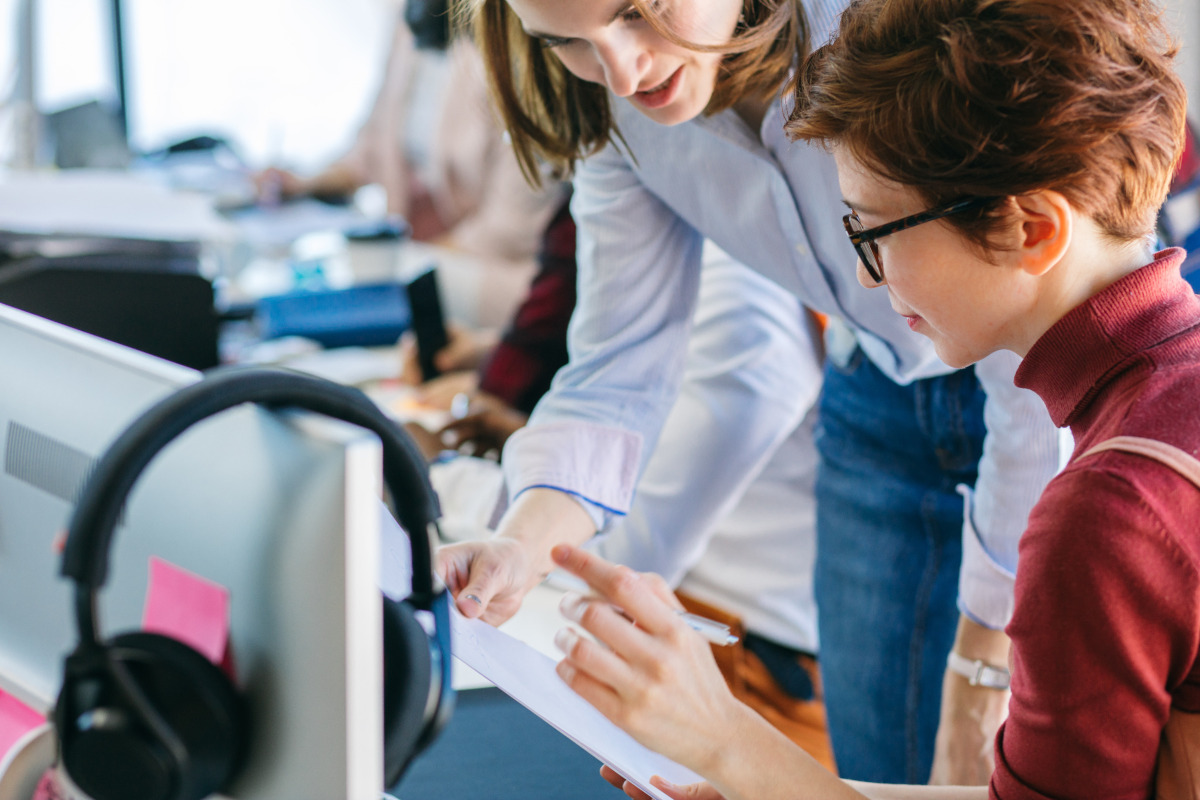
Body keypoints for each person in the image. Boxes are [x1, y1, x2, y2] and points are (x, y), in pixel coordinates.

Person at [547, 0, 1199, 798]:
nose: (861, 278)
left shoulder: (1105, 516)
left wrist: (726, 742)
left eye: (874, 231)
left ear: (1031, 230)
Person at [436, 0, 1064, 783]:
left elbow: (1033, 359)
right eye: (566, 41)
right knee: (880, 768)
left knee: (1005, 762)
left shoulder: (892, 28)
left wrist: (980, 678)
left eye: (637, 11)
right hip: (874, 387)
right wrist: (517, 546)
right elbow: (617, 363)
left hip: (1047, 390)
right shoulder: (618, 109)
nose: (623, 74)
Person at [255, 0, 566, 327]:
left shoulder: (515, 41)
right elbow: (372, 146)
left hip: (494, 270)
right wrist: (303, 183)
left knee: (335, 298)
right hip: (416, 254)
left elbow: (508, 231)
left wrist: (404, 260)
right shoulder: (414, 24)